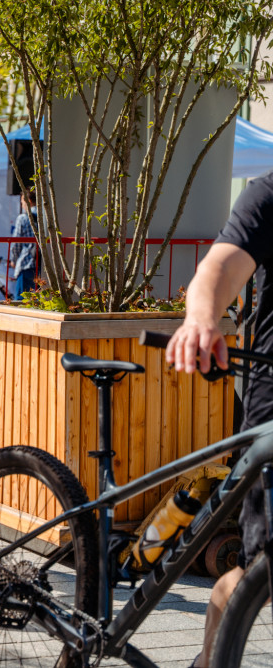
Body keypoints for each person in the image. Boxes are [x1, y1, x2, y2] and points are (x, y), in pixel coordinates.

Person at [165, 170, 273, 667]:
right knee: (264, 571)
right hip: (272, 408)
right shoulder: (267, 194)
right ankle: (210, 660)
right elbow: (220, 269)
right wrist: (203, 318)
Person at [10, 189, 38, 298]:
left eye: (22, 202)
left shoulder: (23, 218)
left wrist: (14, 260)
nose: (21, 205)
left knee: (22, 301)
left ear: (28, 201)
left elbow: (16, 243)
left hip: (27, 263)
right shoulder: (45, 217)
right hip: (43, 265)